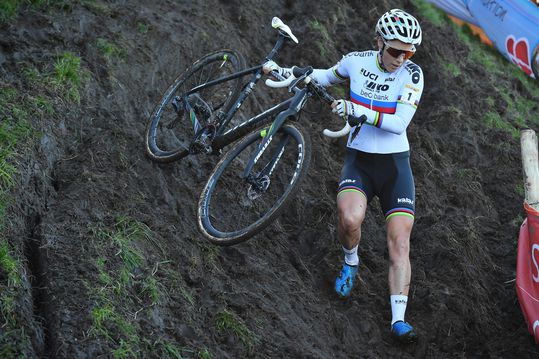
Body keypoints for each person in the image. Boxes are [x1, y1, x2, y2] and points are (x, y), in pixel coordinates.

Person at [264, 9, 424, 343]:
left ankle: (398, 320)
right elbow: (321, 77)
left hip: (395, 165)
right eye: (396, 50)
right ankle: (350, 262)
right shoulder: (356, 62)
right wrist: (285, 70)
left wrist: (358, 111)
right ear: (379, 42)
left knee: (400, 242)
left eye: (408, 52)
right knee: (350, 221)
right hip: (361, 161)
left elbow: (399, 124)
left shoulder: (412, 74)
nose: (401, 58)